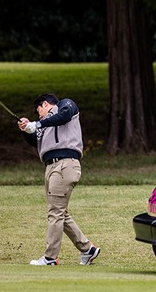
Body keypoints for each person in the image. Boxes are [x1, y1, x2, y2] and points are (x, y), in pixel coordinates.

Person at [18, 93, 101, 266]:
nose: (38, 115)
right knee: (60, 212)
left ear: (46, 104)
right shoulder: (44, 125)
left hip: (65, 164)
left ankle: (50, 258)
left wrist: (38, 123)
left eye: (38, 111)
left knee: (55, 213)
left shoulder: (65, 105)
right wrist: (27, 129)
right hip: (50, 167)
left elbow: (63, 116)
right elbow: (35, 140)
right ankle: (88, 249)